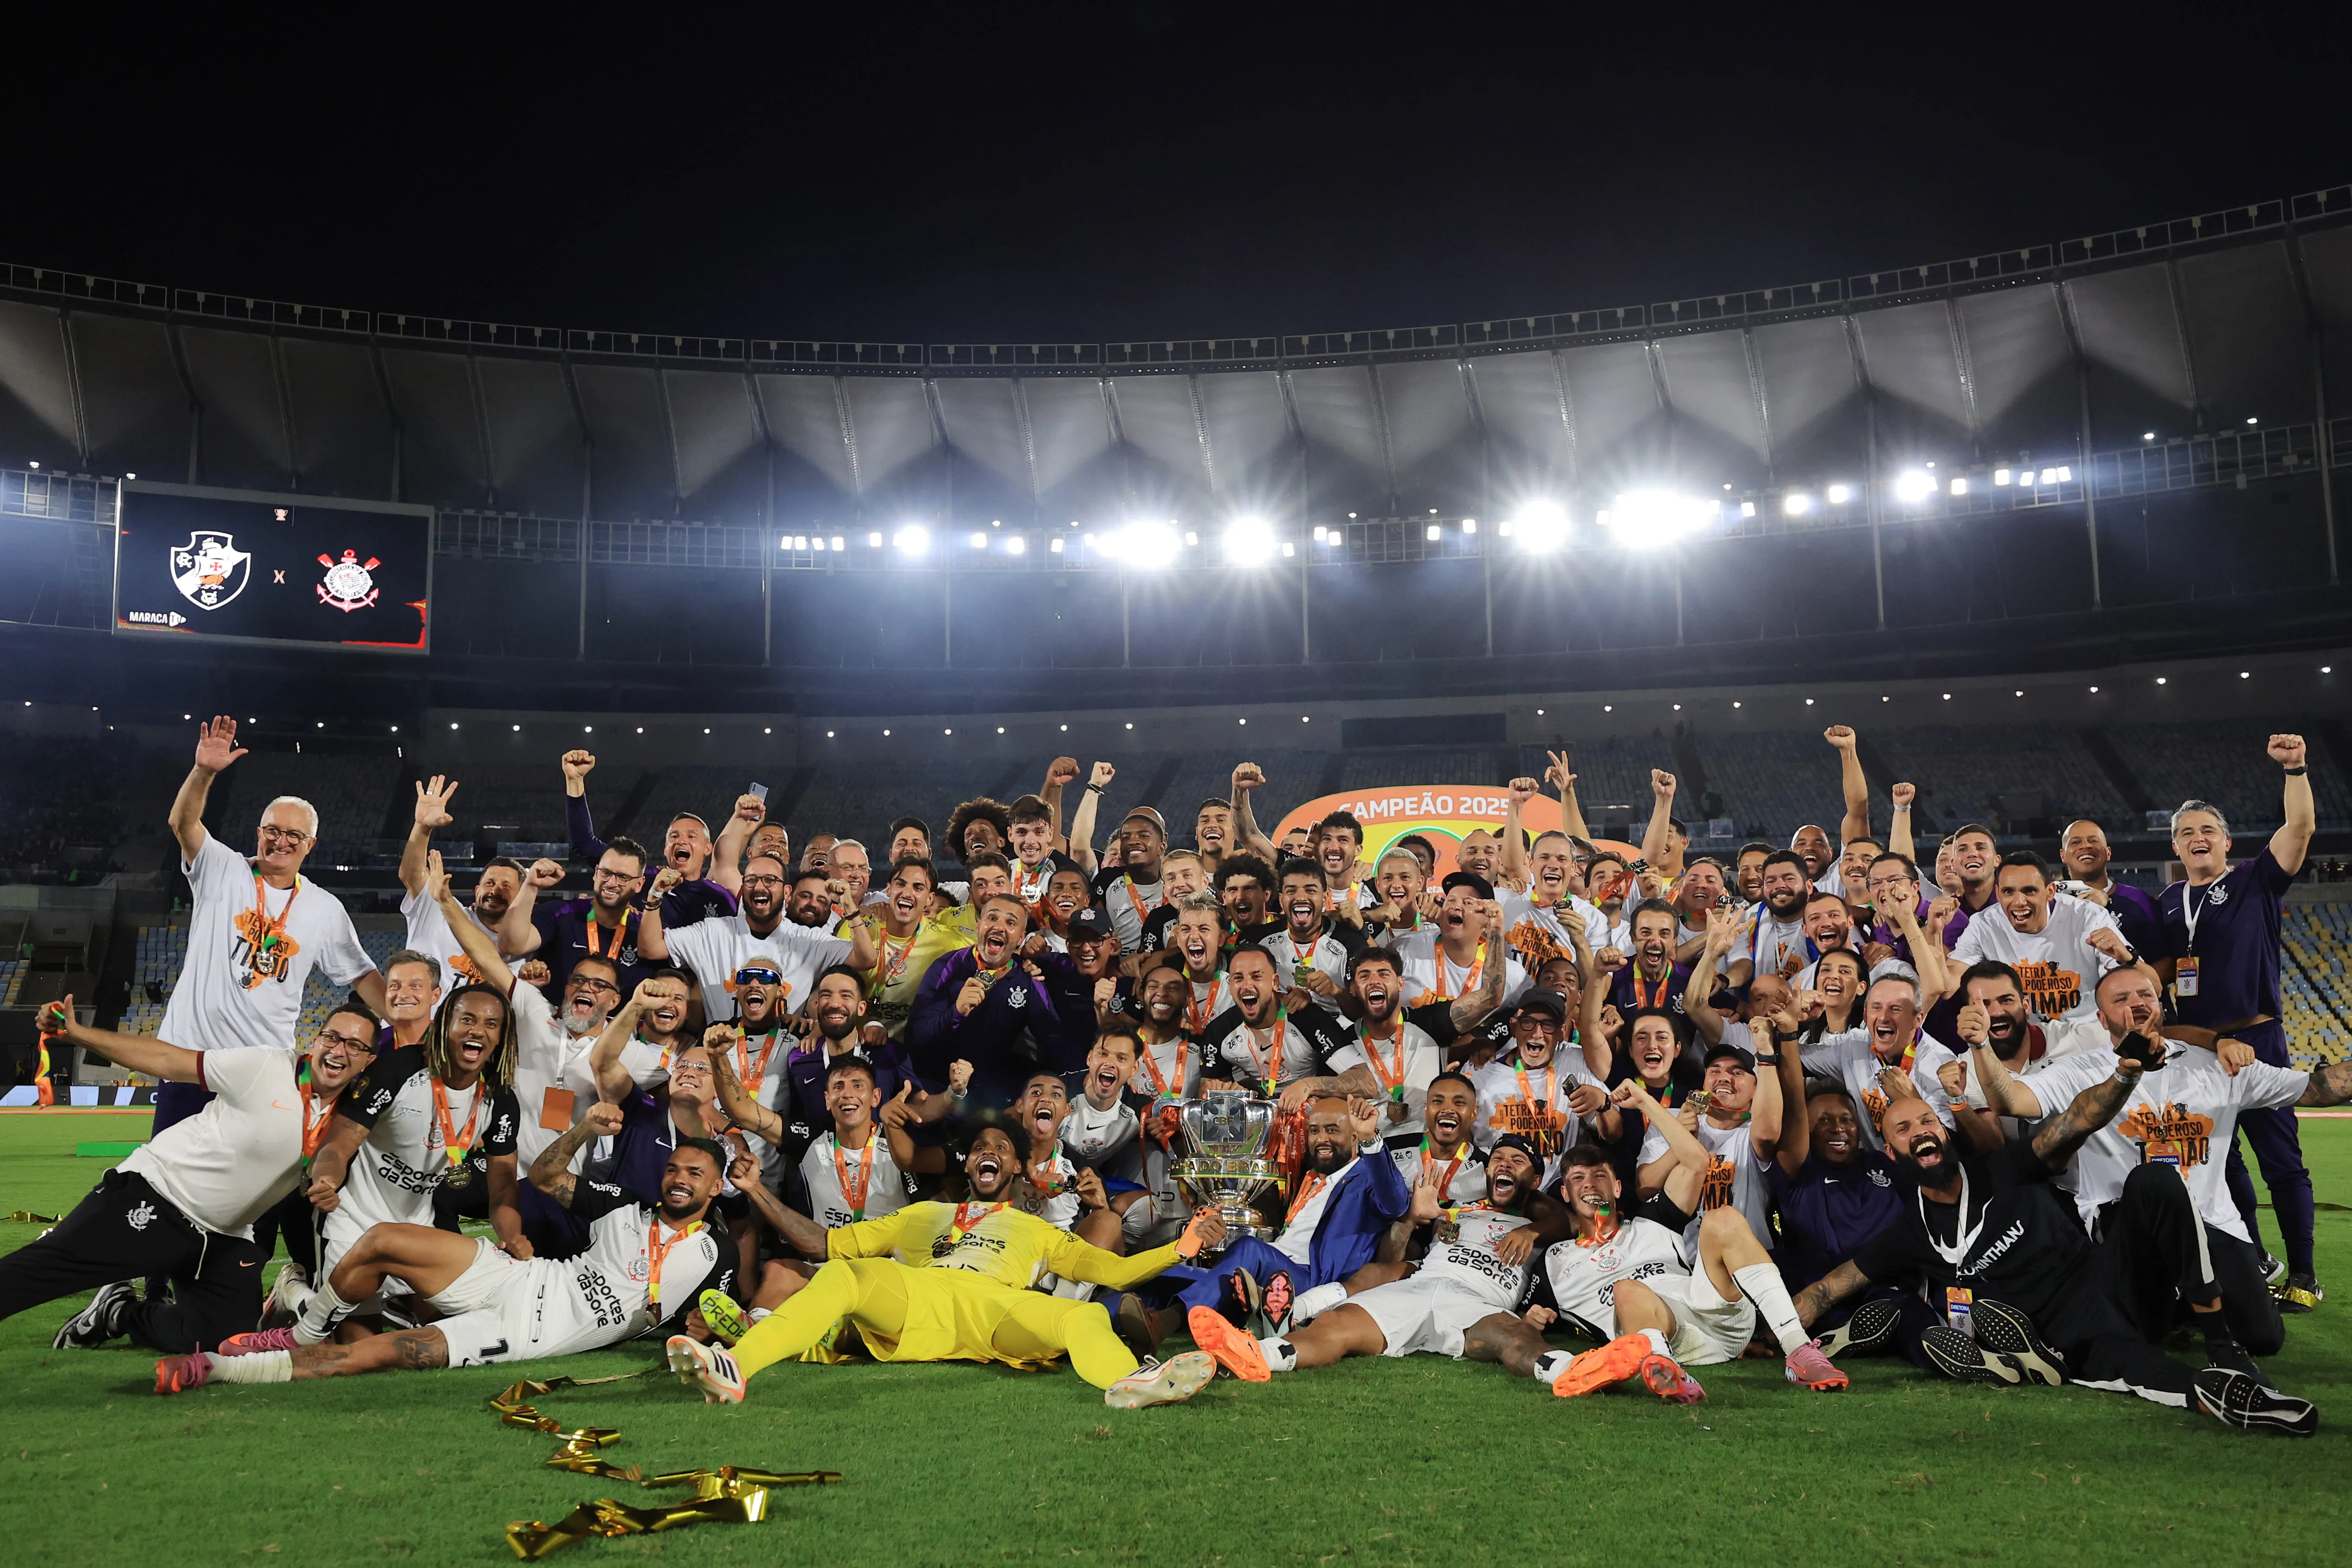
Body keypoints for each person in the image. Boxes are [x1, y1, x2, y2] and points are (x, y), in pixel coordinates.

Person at [1792, 1063, 2317, 1434]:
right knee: (2157, 1377)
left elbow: (2078, 1119)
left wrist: (2126, 1075)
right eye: (1903, 1129)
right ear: (1891, 1150)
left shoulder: (2002, 1167)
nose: (1919, 1131)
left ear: (1944, 1130)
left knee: (2151, 1182)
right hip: (2069, 1340)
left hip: (2113, 1283)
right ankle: (2234, 1399)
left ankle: (2223, 1346)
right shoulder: (1912, 1232)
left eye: (1926, 1121)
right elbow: (1827, 1288)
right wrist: (1776, 1332)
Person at [154, 1104, 735, 1392]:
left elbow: (724, 1321)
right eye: (675, 1167)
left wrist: (708, 1333)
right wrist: (583, 1129)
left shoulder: (720, 1251)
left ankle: (219, 1368)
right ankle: (302, 1326)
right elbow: (547, 1173)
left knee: (376, 1353)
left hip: (530, 1334)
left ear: (716, 1186)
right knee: (379, 1240)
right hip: (525, 1278)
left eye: (696, 1172)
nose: (680, 1177)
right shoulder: (621, 1204)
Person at [661, 1123, 1226, 1409]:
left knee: (1081, 1319)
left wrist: (1182, 1245)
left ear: (1017, 1167)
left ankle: (1127, 1383)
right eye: (980, 1144)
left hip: (999, 1307)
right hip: (921, 1295)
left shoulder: (1037, 1228)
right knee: (844, 1275)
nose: (990, 1150)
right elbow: (825, 1244)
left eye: (1002, 1147)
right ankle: (734, 1366)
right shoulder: (922, 1213)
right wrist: (759, 1191)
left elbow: (1115, 1272)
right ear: (968, 1161)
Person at [1966, 966, 2352, 1373]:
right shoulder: (2079, 1071)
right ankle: (2186, 1313)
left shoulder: (2216, 1065)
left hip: (2212, 1225)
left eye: (2145, 994)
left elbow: (2317, 1087)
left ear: (2160, 1004)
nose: (2136, 1003)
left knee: (2264, 1337)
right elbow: (2010, 1100)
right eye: (2121, 999)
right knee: (2155, 1183)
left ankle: (2183, 1304)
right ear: (2102, 1020)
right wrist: (1980, 1046)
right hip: (2130, 1227)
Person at [24, 995, 377, 1354]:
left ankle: (118, 1313)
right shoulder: (266, 1066)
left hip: (226, 1235)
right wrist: (79, 1034)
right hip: (160, 1194)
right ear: (316, 1040)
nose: (338, 1050)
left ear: (368, 1060)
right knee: (46, 1269)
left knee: (223, 1342)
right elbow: (167, 1060)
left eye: (354, 1045)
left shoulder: (354, 1114)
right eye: (332, 1037)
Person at [1539, 1081, 1849, 1401]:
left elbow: (1698, 1162)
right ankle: (1664, 1368)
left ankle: (1799, 1350)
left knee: (1722, 1217)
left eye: (1600, 1175)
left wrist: (1645, 1102)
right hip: (1662, 1333)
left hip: (1715, 1313)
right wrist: (1533, 1316)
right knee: (1626, 1288)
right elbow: (1516, 1309)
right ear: (1565, 1193)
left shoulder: (1652, 1222)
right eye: (1578, 1178)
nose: (1590, 1184)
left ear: (1618, 1188)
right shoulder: (1553, 1260)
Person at [155, 716, 386, 1142]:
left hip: (260, 1071)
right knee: (171, 1184)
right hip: (189, 1061)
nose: (281, 841)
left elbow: (362, 976)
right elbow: (184, 824)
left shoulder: (323, 908)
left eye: (294, 834)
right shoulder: (222, 869)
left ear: (311, 844)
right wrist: (204, 771)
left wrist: (412, 1028)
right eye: (272, 830)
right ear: (258, 832)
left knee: (255, 1195)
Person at [2158, 738, 2319, 1310]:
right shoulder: (2169, 899)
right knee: (2217, 1164)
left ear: (2225, 841)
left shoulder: (2255, 879)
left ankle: (2302, 1273)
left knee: (2280, 1162)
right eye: (2185, 833)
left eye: (2207, 831)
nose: (2197, 839)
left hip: (2257, 1038)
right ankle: (2251, 1261)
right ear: (2175, 845)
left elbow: (2297, 828)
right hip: (2199, 1050)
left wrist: (2294, 768)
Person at [1215, 1138, 1578, 1378]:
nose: (1504, 1164)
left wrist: (1530, 1230)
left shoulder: (1544, 1223)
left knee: (1513, 1337)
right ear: (1486, 1170)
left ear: (1536, 1177)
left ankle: (1567, 1370)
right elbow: (1394, 1257)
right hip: (1417, 1288)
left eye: (1517, 1161)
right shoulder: (1456, 1211)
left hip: (1478, 1300)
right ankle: (1260, 1353)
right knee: (1335, 1325)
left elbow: (1568, 1220)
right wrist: (1414, 1218)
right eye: (1498, 1158)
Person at [298, 984, 526, 1326]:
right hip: (353, 1219)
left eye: (492, 1024)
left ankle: (389, 1306)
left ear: (501, 1037)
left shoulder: (501, 1099)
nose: (478, 1030)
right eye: (467, 1019)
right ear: (446, 1024)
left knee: (444, 1328)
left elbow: (504, 1187)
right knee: (358, 1344)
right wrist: (326, 1179)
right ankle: (296, 1299)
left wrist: (512, 1236)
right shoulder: (399, 1069)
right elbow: (339, 1143)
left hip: (418, 1228)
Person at [1141, 1093, 1412, 1363]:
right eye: (1314, 1131)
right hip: (1270, 1266)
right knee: (1161, 1274)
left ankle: (1166, 1322)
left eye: (1333, 1130)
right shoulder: (1313, 1180)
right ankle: (1114, 1316)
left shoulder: (1367, 1177)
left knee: (1248, 1250)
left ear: (1355, 1138)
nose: (1322, 1139)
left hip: (1309, 1280)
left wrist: (1371, 1140)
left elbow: (1395, 1203)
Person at [637, 849, 876, 1021]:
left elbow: (866, 959)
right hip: (722, 1056)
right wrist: (655, 896)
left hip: (782, 1063)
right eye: (752, 880)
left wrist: (850, 908)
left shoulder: (809, 940)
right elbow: (651, 948)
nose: (760, 887)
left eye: (770, 880)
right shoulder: (712, 932)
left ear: (786, 891)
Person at [1948, 850, 2143, 1042]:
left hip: (2087, 1038)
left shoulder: (2089, 918)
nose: (2019, 902)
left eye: (2029, 891)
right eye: (2009, 892)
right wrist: (1931, 934)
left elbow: (2145, 985)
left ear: (2050, 892)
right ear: (1998, 893)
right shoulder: (1984, 925)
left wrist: (2127, 957)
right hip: (2022, 1042)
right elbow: (1948, 986)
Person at [560, 749, 739, 924]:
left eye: (692, 836)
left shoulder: (720, 898)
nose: (681, 841)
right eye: (674, 836)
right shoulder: (641, 879)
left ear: (708, 848)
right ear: (666, 848)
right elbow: (584, 844)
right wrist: (575, 780)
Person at [498, 834, 660, 998]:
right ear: (596, 873)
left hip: (620, 1024)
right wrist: (531, 886)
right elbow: (512, 945)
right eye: (606, 873)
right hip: (558, 1022)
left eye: (623, 877)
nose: (611, 883)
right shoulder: (561, 913)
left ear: (640, 884)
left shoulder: (646, 933)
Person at [398, 774, 521, 987]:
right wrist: (423, 827)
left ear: (522, 898)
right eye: (490, 883)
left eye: (506, 886)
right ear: (477, 891)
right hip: (416, 1021)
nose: (495, 891)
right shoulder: (442, 907)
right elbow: (411, 876)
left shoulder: (522, 947)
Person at [1197, 943, 1355, 1103]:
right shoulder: (1218, 1032)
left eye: (1257, 976)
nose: (1247, 985)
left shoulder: (1307, 1018)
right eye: (1238, 978)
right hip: (1261, 1117)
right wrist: (1229, 1093)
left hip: (1311, 1113)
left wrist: (1309, 1086)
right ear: (1230, 986)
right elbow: (1207, 1092)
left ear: (1275, 982)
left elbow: (1365, 1080)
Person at [1325, 947, 1449, 1146]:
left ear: (1400, 983)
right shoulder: (1342, 1043)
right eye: (1364, 976)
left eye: (1384, 974)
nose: (1375, 981)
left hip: (1426, 1150)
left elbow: (1488, 1000)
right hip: (1369, 1147)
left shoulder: (1430, 1024)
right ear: (1353, 989)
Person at [1469, 990, 1609, 1160]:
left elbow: (1615, 1135)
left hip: (1559, 1185)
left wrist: (1604, 1103)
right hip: (1499, 1181)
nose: (1537, 1034)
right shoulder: (1480, 1070)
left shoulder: (1575, 1060)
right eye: (1528, 1022)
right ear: (1514, 1027)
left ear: (1561, 1033)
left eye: (1548, 1025)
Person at [2060, 818, 2166, 957]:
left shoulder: (2138, 899)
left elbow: (2165, 961)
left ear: (2108, 853)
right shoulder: (2052, 904)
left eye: (2094, 841)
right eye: (2075, 842)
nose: (2086, 846)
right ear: (2063, 855)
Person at [1263, 859, 1353, 995]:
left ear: (1325, 898)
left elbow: (1361, 1011)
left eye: (1310, 890)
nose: (1300, 898)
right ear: (1281, 900)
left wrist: (1336, 991)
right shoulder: (1262, 942)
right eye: (1291, 891)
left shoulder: (1350, 942)